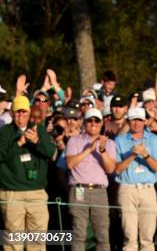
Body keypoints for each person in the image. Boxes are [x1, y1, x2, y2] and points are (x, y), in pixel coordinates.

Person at [0, 96, 55, 251]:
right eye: (18, 113)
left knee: (37, 241)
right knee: (13, 242)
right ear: (11, 113)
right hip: (12, 193)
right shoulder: (4, 133)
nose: (21, 116)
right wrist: (19, 143)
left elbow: (51, 152)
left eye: (24, 112)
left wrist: (37, 141)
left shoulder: (39, 129)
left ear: (30, 112)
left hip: (36, 193)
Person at [65, 108, 117, 251]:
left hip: (99, 192)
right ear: (84, 123)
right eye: (90, 120)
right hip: (78, 190)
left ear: (101, 124)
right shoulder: (74, 141)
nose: (93, 123)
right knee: (78, 235)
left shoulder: (110, 144)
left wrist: (102, 150)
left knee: (102, 236)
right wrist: (89, 149)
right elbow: (70, 164)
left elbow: (110, 169)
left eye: (96, 120)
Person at [114, 107, 157, 251]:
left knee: (147, 239)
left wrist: (145, 155)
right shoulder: (120, 140)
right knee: (129, 238)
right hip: (127, 189)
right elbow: (117, 169)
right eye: (133, 120)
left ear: (145, 121)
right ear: (128, 121)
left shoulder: (153, 139)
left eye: (140, 120)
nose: (136, 123)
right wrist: (133, 155)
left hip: (148, 189)